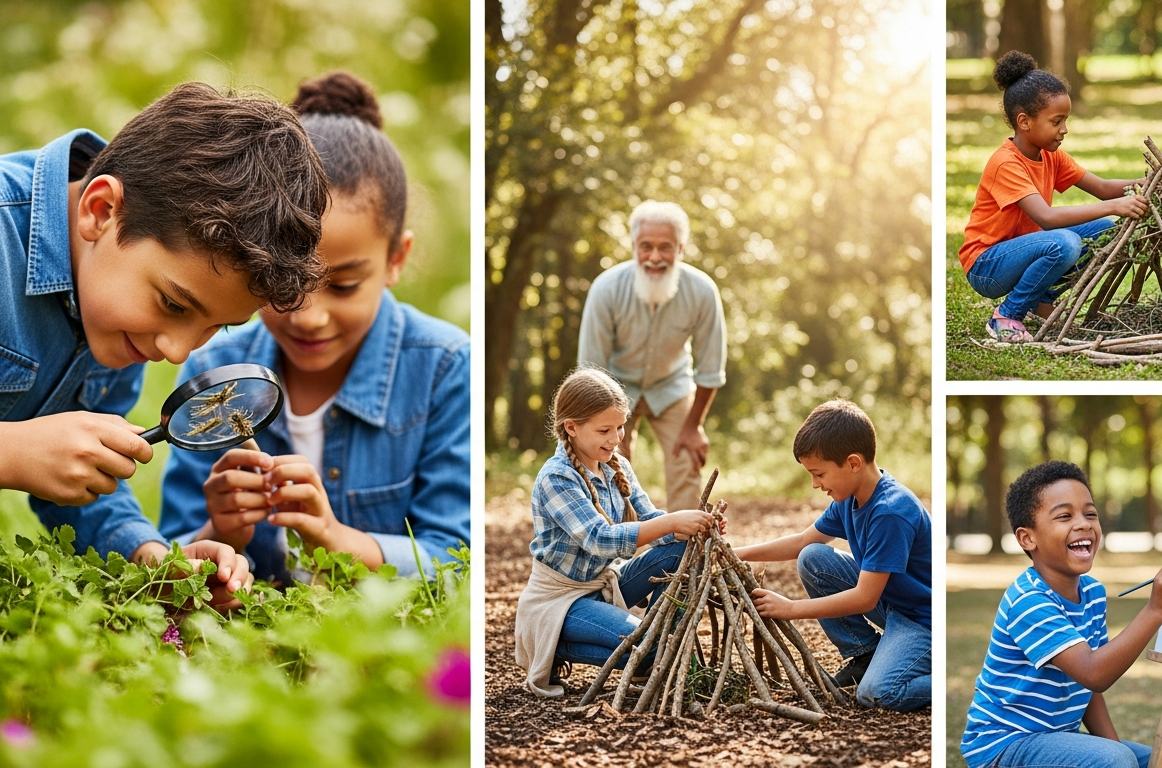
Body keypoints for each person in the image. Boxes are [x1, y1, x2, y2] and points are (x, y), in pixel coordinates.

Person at [0, 81, 329, 602]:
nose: (177, 351)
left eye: (216, 327)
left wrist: (155, 564)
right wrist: (12, 451)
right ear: (101, 210)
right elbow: (28, 455)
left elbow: (84, 484)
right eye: (174, 305)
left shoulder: (116, 315)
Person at [158, 73, 470, 584]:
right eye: (283, 284)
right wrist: (222, 532)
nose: (308, 316)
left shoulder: (446, 368)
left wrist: (337, 541)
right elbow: (172, 551)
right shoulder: (215, 367)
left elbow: (456, 560)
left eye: (343, 285)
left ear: (396, 259)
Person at [960, 462, 1162, 768]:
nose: (1083, 524)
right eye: (1064, 516)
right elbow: (1093, 673)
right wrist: (1156, 609)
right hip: (1004, 745)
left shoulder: (1092, 593)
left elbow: (1086, 687)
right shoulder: (1028, 601)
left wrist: (1117, 751)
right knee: (1117, 760)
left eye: (1090, 514)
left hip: (1058, 738)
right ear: (1027, 538)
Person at [514, 367, 726, 697]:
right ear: (571, 427)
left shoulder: (617, 465)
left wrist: (695, 527)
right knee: (649, 649)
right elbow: (599, 539)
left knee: (682, 552)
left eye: (620, 427)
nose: (616, 439)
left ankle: (656, 646)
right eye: (604, 430)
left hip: (602, 584)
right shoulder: (557, 478)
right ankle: (556, 645)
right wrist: (672, 522)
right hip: (559, 601)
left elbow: (653, 522)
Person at [734, 400, 931, 712]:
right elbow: (802, 542)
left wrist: (791, 608)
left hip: (922, 619)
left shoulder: (890, 511)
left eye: (819, 474)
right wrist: (736, 553)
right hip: (893, 601)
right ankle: (865, 653)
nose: (815, 484)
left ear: (853, 463)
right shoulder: (849, 498)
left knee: (877, 693)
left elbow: (865, 598)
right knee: (813, 557)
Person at [959, 51, 1150, 343]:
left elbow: (1103, 188)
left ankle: (1041, 299)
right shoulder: (1006, 163)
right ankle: (1007, 315)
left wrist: (1151, 181)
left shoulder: (1051, 156)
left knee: (1105, 231)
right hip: (987, 265)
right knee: (1066, 243)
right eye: (1056, 121)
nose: (1064, 129)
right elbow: (1047, 218)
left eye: (1065, 120)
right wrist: (1114, 206)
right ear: (1024, 122)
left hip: (1025, 250)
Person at [578, 200, 726, 512]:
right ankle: (621, 538)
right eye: (646, 247)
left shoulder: (702, 291)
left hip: (672, 386)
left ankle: (685, 539)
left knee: (687, 457)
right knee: (607, 462)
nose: (655, 257)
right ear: (634, 246)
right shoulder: (606, 289)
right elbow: (591, 369)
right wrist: (601, 429)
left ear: (680, 248)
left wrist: (694, 426)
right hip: (613, 389)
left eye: (665, 247)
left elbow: (710, 368)